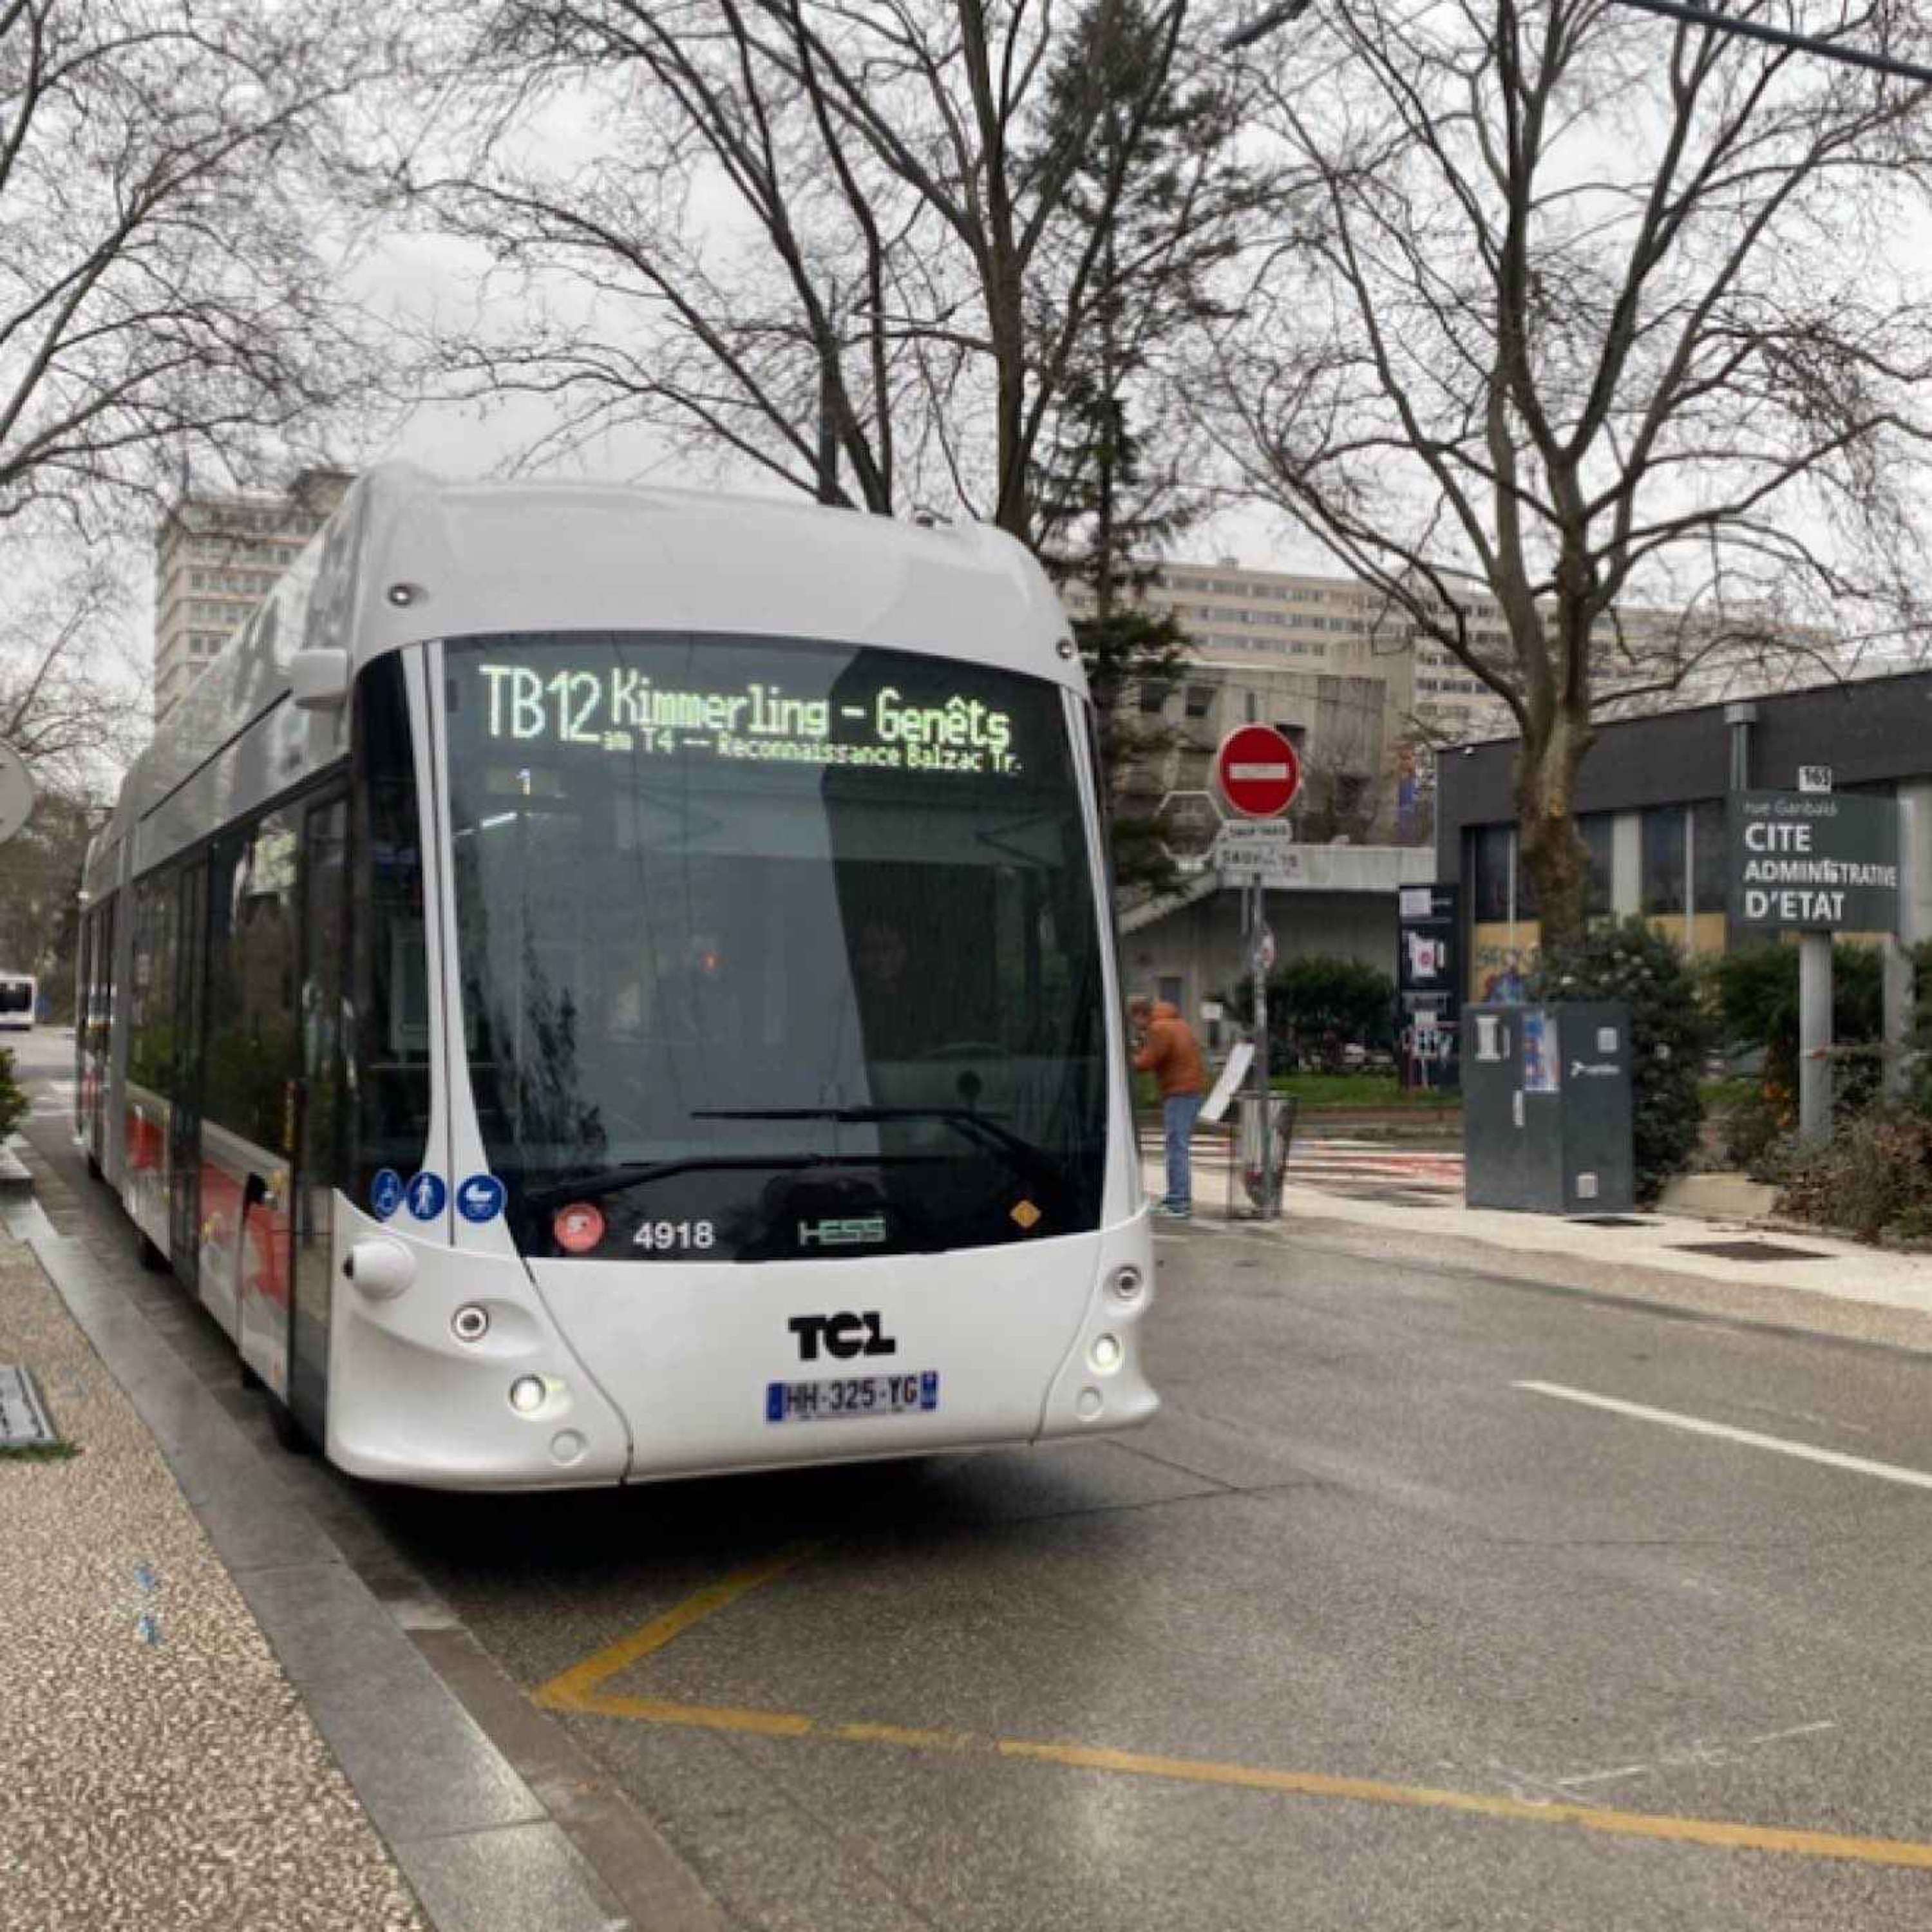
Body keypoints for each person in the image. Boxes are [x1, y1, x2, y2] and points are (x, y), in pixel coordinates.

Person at [1130, 994, 1206, 1220]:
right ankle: (1175, 1197)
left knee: (1176, 1147)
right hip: (1189, 1090)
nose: (1135, 1027)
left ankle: (1179, 1202)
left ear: (1140, 1015)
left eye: (1133, 1021)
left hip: (1180, 1092)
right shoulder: (1176, 1023)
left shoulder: (1159, 1028)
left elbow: (1146, 1062)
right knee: (1177, 1146)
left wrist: (1126, 1057)